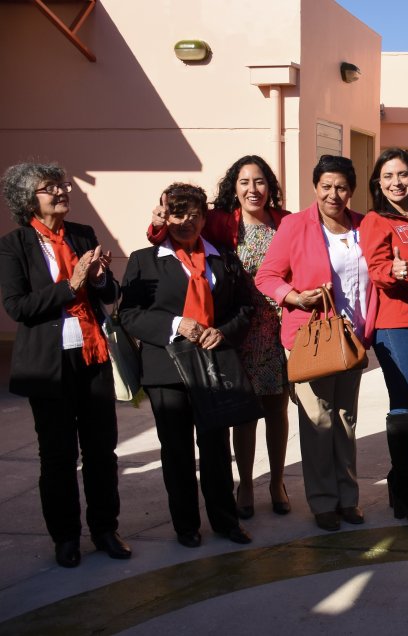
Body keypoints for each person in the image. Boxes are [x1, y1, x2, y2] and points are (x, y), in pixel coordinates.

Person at [0, 162, 129, 567]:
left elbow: (107, 293)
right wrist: (68, 286)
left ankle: (105, 528)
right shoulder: (14, 244)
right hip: (48, 365)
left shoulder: (82, 234)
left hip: (92, 356)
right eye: (49, 187)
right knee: (57, 455)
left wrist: (98, 278)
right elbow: (17, 307)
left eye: (61, 184)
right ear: (29, 200)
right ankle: (66, 537)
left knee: (101, 449)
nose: (61, 191)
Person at [148, 156, 291, 519]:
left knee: (276, 408)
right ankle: (244, 483)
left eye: (259, 182)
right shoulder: (219, 221)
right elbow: (178, 233)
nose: (252, 189)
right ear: (234, 187)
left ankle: (277, 482)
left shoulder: (285, 222)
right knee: (243, 411)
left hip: (276, 328)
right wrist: (156, 222)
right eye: (244, 182)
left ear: (269, 186)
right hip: (234, 329)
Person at [120, 182, 253, 548]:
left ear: (204, 217)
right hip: (168, 369)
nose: (187, 222)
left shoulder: (222, 257)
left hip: (213, 367)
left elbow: (245, 307)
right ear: (165, 216)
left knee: (215, 449)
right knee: (176, 451)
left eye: (195, 214)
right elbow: (128, 314)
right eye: (179, 213)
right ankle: (186, 526)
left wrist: (222, 333)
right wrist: (177, 324)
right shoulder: (144, 260)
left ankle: (225, 521)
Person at [256, 155, 377, 532]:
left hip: (351, 339)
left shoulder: (364, 226)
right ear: (315, 188)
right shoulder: (295, 226)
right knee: (318, 420)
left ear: (351, 191)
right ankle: (324, 501)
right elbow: (267, 275)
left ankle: (348, 497)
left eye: (341, 187)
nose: (333, 194)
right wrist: (295, 297)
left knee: (345, 419)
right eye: (326, 186)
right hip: (311, 339)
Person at [359, 148, 408, 525]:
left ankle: (398, 481)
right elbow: (376, 268)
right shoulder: (377, 220)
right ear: (378, 182)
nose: (396, 182)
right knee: (404, 403)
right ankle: (406, 489)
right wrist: (395, 269)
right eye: (388, 176)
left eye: (403, 175)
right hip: (396, 323)